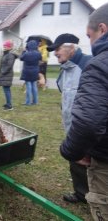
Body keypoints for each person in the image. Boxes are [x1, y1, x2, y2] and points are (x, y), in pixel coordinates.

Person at [60, 2, 108, 220]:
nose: (90, 42)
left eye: (90, 36)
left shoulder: (95, 65)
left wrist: (70, 149)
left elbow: (89, 121)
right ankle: (81, 192)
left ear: (103, 29)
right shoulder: (64, 71)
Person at [47, 33, 91, 204]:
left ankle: (97, 197)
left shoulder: (88, 64)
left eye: (58, 49)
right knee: (76, 159)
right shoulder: (65, 69)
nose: (55, 53)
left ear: (71, 48)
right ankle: (81, 194)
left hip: (89, 126)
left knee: (94, 164)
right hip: (72, 126)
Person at [20, 40, 41, 105]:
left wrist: (23, 51)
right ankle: (35, 101)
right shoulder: (38, 53)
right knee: (34, 86)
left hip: (27, 71)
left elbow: (21, 58)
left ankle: (28, 102)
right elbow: (40, 58)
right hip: (35, 71)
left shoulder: (26, 53)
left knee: (28, 87)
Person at [0, 40, 18, 111]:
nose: (4, 47)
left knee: (7, 90)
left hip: (7, 75)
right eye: (4, 46)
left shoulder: (10, 55)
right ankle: (8, 103)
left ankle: (9, 106)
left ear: (10, 47)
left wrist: (3, 71)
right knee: (6, 90)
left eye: (6, 46)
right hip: (5, 75)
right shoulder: (6, 54)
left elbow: (9, 65)